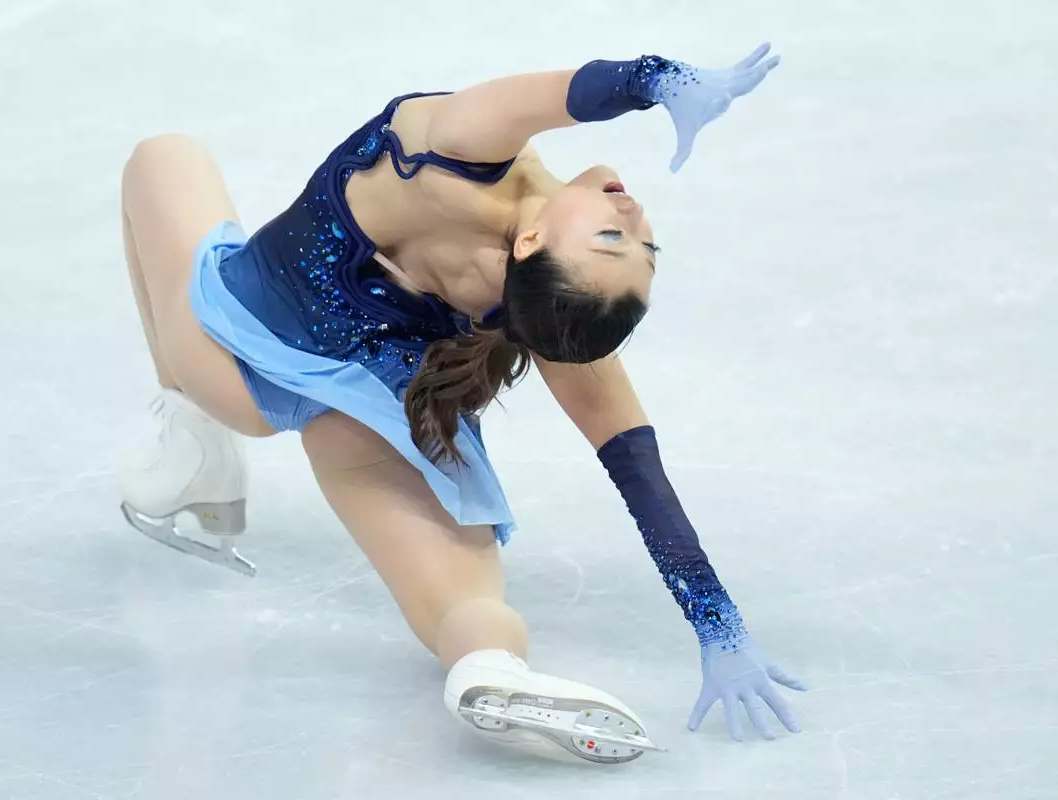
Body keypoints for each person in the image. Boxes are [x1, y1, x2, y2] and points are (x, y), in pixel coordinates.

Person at [115, 42, 806, 765]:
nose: (635, 216)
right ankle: (488, 660)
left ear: (535, 238)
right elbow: (636, 470)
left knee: (163, 158)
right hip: (379, 415)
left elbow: (566, 91)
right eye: (638, 243)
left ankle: (196, 448)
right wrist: (718, 628)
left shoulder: (452, 158)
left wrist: (661, 80)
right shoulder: (546, 312)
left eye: (621, 241)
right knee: (466, 598)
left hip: (233, 364)